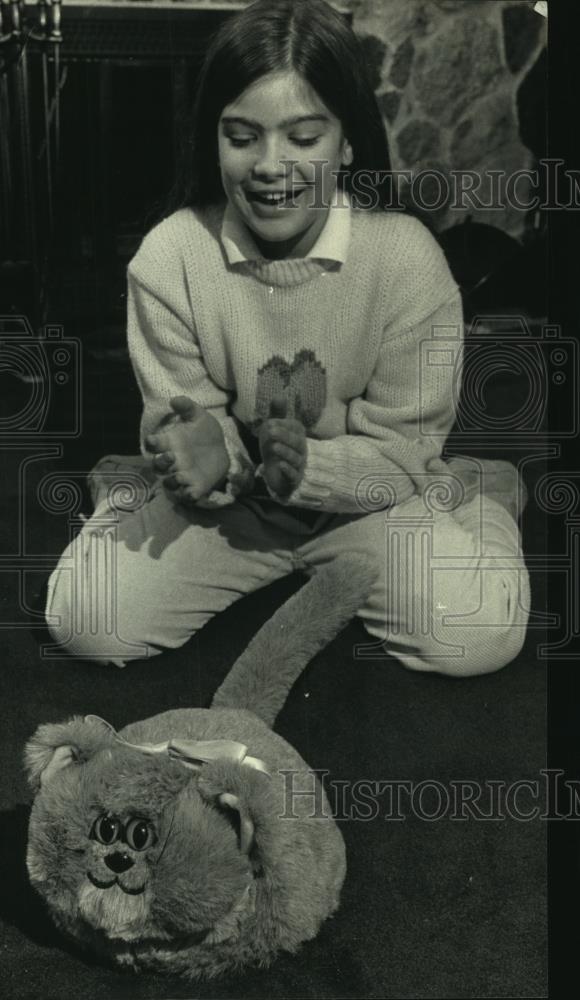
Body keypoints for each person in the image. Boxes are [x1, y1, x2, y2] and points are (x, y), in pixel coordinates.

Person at [45, 0, 530, 675]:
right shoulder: (168, 258)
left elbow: (401, 449)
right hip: (236, 507)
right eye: (242, 137)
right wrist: (208, 461)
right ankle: (128, 489)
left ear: (348, 142)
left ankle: (484, 493)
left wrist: (311, 470)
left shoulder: (407, 259)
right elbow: (184, 424)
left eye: (304, 138)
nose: (272, 166)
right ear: (212, 140)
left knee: (477, 635)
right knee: (86, 621)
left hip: (367, 499)